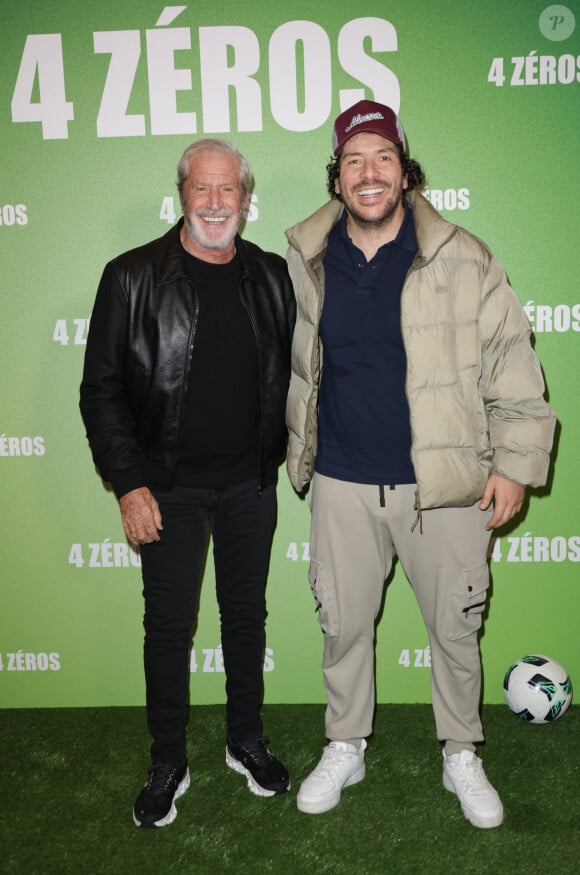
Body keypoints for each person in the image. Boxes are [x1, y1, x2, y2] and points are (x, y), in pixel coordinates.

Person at [284, 100, 555, 828]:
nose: (368, 173)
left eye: (382, 158)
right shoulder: (305, 256)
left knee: (456, 628)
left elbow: (513, 363)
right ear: (336, 179)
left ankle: (460, 749)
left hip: (446, 486)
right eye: (352, 161)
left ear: (405, 171)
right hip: (340, 478)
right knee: (341, 624)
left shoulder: (463, 255)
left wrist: (516, 465)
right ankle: (347, 742)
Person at [80, 138, 295, 827]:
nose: (213, 202)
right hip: (165, 488)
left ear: (244, 197)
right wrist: (129, 483)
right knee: (169, 627)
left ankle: (245, 738)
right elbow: (101, 391)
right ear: (182, 193)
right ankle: (167, 758)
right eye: (201, 188)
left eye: (226, 189)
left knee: (246, 617)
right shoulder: (131, 275)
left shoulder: (270, 274)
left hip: (248, 485)